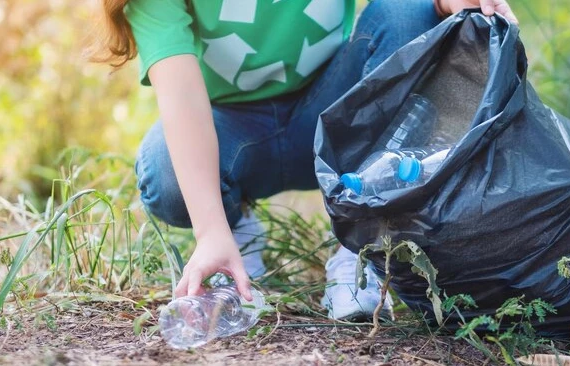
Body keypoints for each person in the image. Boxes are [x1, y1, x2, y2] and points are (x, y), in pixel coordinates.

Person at [95, 0, 517, 320]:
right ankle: (233, 233)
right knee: (164, 170)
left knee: (411, 9)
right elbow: (182, 97)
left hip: (336, 111)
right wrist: (209, 231)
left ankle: (360, 243)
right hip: (236, 133)